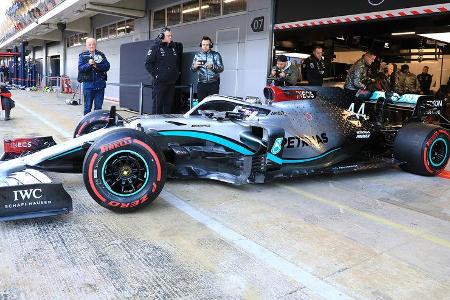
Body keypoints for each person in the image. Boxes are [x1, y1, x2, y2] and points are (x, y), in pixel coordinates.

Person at [145, 27, 180, 114]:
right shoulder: (154, 47)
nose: (170, 37)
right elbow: (148, 64)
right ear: (161, 36)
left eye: (171, 35)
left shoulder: (173, 47)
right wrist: (157, 75)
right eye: (168, 36)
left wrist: (176, 74)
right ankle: (155, 125)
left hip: (171, 82)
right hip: (159, 83)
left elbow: (176, 63)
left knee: (168, 106)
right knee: (157, 105)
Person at [78, 38, 110, 115]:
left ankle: (97, 124)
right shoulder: (82, 56)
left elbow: (107, 66)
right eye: (90, 44)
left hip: (100, 86)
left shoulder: (101, 55)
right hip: (88, 86)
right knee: (87, 107)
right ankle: (87, 124)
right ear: (86, 45)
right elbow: (81, 68)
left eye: (93, 44)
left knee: (98, 108)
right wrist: (89, 64)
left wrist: (96, 65)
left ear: (96, 45)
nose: (92, 46)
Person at [191, 36, 224, 101]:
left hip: (213, 84)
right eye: (203, 45)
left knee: (212, 105)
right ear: (201, 45)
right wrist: (195, 66)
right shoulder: (197, 56)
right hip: (201, 84)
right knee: (201, 105)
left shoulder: (216, 55)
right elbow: (192, 69)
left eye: (207, 45)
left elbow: (221, 69)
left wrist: (212, 66)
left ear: (210, 45)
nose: (205, 46)